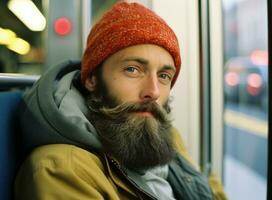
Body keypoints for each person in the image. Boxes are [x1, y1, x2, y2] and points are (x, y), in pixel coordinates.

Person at [14, 2, 227, 200]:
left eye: (163, 76)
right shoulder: (61, 169)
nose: (153, 92)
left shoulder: (163, 136)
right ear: (91, 79)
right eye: (132, 69)